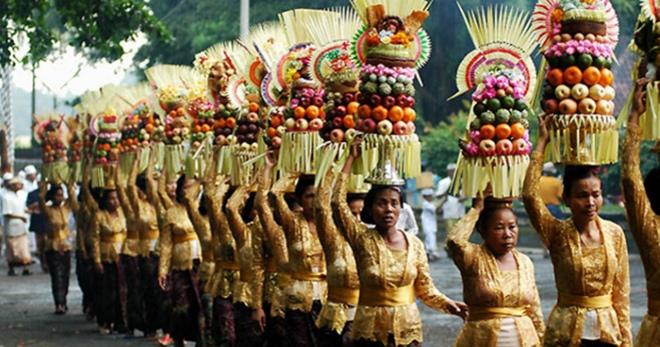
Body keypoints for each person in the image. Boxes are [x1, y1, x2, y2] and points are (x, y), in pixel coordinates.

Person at [334, 138, 467, 347]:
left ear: (401, 209)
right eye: (381, 203)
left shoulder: (415, 244)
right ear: (370, 209)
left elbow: (424, 288)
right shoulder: (360, 238)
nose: (388, 209)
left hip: (407, 331)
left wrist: (446, 303)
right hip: (369, 331)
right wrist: (350, 159)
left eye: (394, 203)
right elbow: (336, 203)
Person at [523, 114, 632, 346]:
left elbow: (621, 293)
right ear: (567, 199)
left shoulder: (614, 233)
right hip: (566, 333)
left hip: (607, 333)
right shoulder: (557, 232)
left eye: (596, 195)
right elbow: (530, 196)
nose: (591, 203)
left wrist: (626, 337)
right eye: (582, 196)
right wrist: (542, 142)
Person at [446, 192, 544, 346]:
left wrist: (542, 338)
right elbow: (454, 241)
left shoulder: (525, 262)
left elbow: (534, 308)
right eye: (499, 228)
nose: (507, 234)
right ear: (482, 232)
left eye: (512, 227)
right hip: (481, 339)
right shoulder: (473, 258)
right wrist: (476, 209)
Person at [621, 78, 660, 346]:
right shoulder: (650, 227)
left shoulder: (649, 228)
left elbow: (632, 179)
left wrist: (636, 115)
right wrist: (634, 115)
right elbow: (631, 179)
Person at [270, 168, 327, 347]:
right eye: (309, 196)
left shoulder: (331, 224)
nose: (314, 200)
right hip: (297, 299)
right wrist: (296, 171)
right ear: (300, 199)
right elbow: (275, 193)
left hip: (328, 298)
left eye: (318, 195)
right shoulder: (293, 222)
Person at [315, 169, 361, 347]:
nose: (357, 219)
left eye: (361, 214)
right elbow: (321, 207)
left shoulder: (370, 239)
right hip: (335, 314)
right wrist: (332, 168)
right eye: (352, 214)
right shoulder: (332, 239)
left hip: (365, 316)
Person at [158, 174, 204, 347]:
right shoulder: (172, 212)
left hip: (201, 264)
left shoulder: (202, 209)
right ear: (179, 190)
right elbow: (166, 244)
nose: (190, 191)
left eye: (194, 186)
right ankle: (179, 338)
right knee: (181, 306)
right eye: (186, 187)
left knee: (201, 305)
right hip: (180, 266)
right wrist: (163, 270)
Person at [255, 161, 291, 347]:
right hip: (278, 296)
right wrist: (269, 168)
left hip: (315, 300)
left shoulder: (322, 229)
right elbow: (261, 204)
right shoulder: (276, 231)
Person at [227, 183, 266, 347]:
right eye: (257, 209)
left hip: (271, 293)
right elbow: (230, 208)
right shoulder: (243, 232)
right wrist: (247, 184)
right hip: (246, 294)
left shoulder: (277, 232)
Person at [38, 179, 78, 314]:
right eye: (57, 195)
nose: (59, 198)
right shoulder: (47, 210)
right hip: (52, 245)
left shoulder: (66, 209)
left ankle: (64, 300)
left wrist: (67, 183)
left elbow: (72, 197)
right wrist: (46, 183)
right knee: (56, 275)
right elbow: (40, 199)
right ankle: (58, 303)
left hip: (65, 245)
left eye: (61, 195)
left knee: (65, 275)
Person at [92, 187, 127, 335]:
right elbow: (95, 238)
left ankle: (120, 322)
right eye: (111, 198)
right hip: (106, 255)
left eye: (117, 198)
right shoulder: (99, 216)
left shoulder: (123, 214)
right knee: (106, 291)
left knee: (121, 290)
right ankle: (104, 321)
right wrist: (97, 260)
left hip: (121, 255)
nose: (115, 201)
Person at [3, 176, 32, 276]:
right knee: (11, 248)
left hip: (21, 227)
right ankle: (11, 268)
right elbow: (7, 213)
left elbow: (22, 209)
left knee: (23, 248)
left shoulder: (21, 196)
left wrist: (30, 211)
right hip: (11, 227)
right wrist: (20, 217)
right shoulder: (6, 197)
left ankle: (26, 267)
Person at [436, 163, 467, 246]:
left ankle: (461, 247)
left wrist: (464, 198)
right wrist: (446, 192)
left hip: (460, 211)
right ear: (448, 172)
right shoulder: (443, 183)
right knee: (451, 232)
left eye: (454, 171)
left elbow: (467, 194)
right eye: (451, 171)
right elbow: (438, 196)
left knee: (461, 232)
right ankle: (451, 248)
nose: (453, 173)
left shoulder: (462, 181)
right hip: (449, 212)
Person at [27, 185, 48, 272]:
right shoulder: (32, 194)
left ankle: (48, 263)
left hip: (46, 219)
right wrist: (36, 205)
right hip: (37, 219)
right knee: (40, 243)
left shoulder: (49, 193)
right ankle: (43, 263)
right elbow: (29, 206)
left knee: (47, 242)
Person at [420, 188, 441, 261]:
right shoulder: (425, 204)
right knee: (431, 237)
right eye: (427, 196)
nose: (429, 197)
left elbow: (438, 210)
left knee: (429, 239)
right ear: (424, 197)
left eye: (430, 196)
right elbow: (436, 209)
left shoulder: (430, 204)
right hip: (427, 224)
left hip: (431, 224)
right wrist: (444, 201)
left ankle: (428, 254)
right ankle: (434, 253)